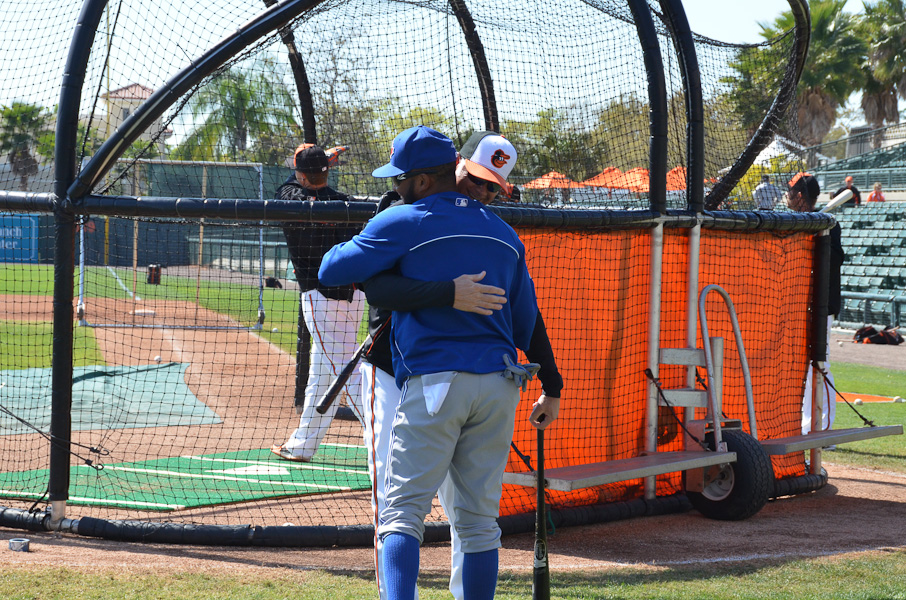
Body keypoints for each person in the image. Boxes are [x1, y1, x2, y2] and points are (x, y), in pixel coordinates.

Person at [319, 126, 559, 600]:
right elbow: (527, 322)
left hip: (434, 383)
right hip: (498, 386)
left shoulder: (405, 219)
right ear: (457, 169)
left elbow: (330, 270)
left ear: (425, 180)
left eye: (402, 177)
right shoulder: (506, 235)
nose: (396, 186)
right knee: (478, 524)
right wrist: (552, 385)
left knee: (402, 514)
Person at [271, 143, 366, 462]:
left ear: (300, 173)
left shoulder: (290, 196)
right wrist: (323, 164)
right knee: (323, 373)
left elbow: (291, 185)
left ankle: (388, 436)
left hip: (321, 297)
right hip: (354, 295)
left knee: (346, 373)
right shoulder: (344, 202)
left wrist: (318, 163)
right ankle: (303, 444)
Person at [788, 173, 845, 436]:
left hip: (822, 308)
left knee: (820, 365)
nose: (787, 199)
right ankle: (809, 426)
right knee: (804, 366)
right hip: (802, 306)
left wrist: (813, 233)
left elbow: (834, 261)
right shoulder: (795, 223)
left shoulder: (829, 224)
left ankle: (822, 430)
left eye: (790, 194)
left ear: (800, 197)